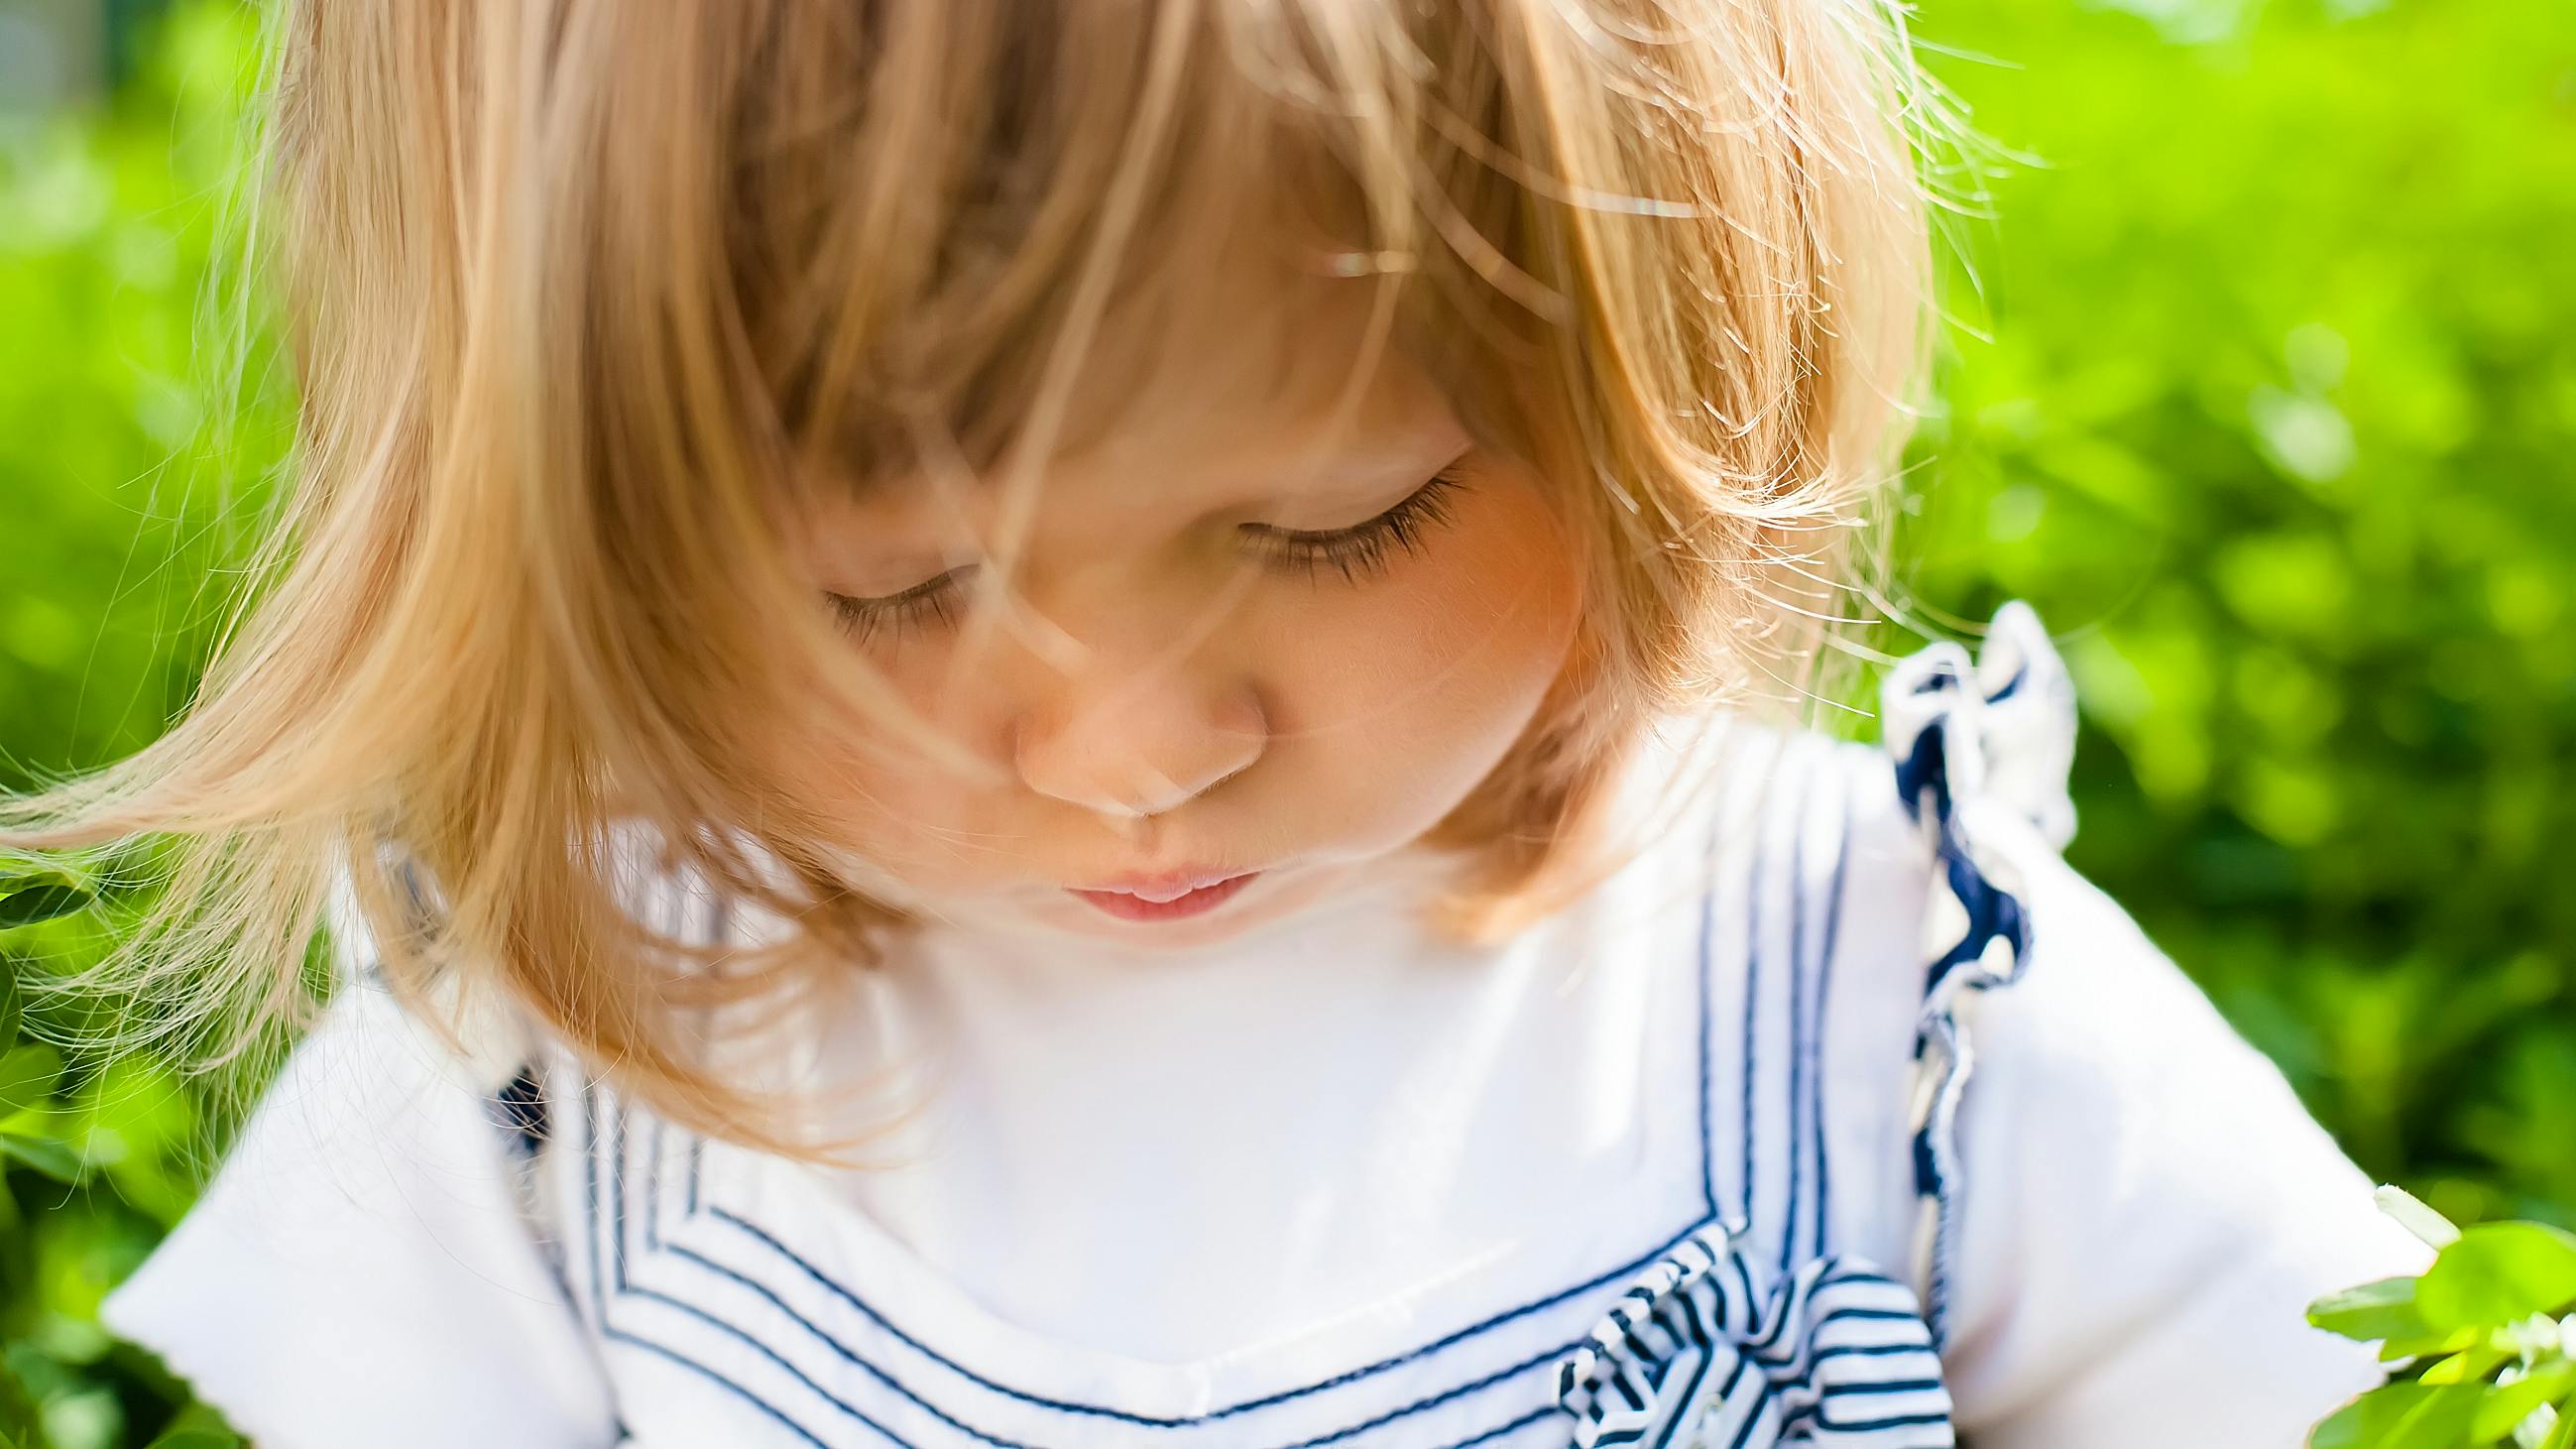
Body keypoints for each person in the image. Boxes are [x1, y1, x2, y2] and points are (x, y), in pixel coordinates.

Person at [2, 2, 2425, 1445]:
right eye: (891, 587)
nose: (1131, 748)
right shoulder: (565, 1057)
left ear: (1687, 343)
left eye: (1344, 521)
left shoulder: (1877, 994)